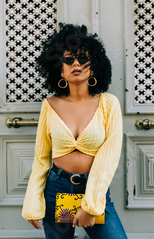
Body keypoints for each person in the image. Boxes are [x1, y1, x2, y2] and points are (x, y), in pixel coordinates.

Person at [22, 23, 127, 239]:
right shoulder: (49, 105)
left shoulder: (108, 104)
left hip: (94, 190)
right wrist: (33, 200)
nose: (76, 63)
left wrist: (90, 206)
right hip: (56, 189)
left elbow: (109, 157)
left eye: (82, 58)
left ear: (94, 64)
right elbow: (41, 158)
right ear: (60, 69)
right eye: (68, 60)